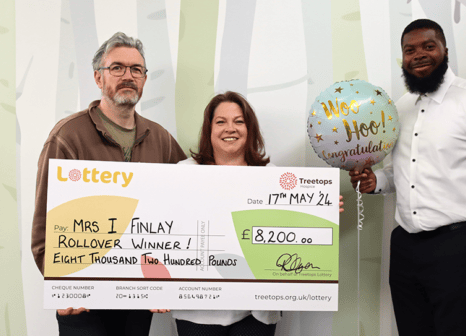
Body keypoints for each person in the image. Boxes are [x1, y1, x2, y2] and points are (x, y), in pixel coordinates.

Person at [350, 19, 466, 335]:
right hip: (406, 247)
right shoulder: (398, 110)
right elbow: (404, 173)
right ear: (403, 58)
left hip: (462, 246)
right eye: (410, 50)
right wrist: (376, 182)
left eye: (428, 46)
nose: (418, 54)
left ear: (444, 50)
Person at [31, 32, 186, 335]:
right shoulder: (67, 137)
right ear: (98, 78)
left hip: (139, 295)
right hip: (84, 296)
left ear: (143, 79)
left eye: (136, 69)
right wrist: (62, 287)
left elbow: (187, 203)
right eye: (117, 68)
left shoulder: (162, 139)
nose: (128, 76)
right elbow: (43, 225)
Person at [171, 91, 281, 336]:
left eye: (239, 121)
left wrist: (322, 209)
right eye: (220, 122)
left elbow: (285, 230)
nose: (230, 128)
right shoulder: (184, 172)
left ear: (249, 129)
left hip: (256, 309)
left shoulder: (271, 175)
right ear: (209, 130)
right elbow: (166, 228)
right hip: (197, 310)